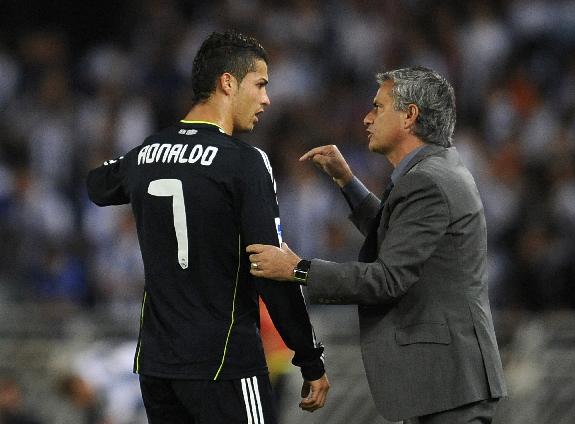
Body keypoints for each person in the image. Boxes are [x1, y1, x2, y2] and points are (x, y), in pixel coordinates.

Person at [86, 30, 329, 424]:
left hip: (158, 366)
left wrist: (142, 157)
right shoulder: (245, 162)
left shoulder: (148, 151)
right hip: (224, 365)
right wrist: (309, 357)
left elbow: (97, 185)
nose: (267, 99)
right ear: (227, 83)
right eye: (261, 84)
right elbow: (269, 267)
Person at [246, 66, 507, 423]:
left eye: (378, 107)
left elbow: (387, 279)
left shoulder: (428, 182)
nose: (367, 118)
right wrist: (348, 183)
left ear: (410, 115)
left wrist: (297, 269)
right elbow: (399, 240)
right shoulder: (435, 172)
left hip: (448, 383)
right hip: (443, 383)